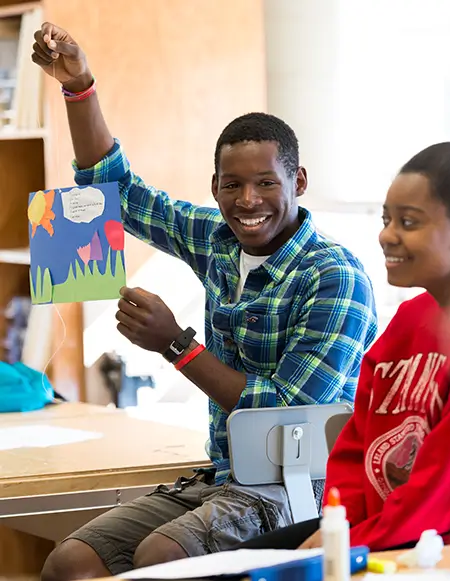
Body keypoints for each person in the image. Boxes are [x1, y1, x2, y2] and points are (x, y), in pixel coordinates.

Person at [31, 22, 377, 579]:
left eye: (267, 183)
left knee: (160, 558)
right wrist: (79, 87)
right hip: (221, 476)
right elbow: (114, 190)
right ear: (214, 185)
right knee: (70, 563)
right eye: (231, 185)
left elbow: (277, 413)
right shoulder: (218, 238)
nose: (248, 201)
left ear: (300, 181)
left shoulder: (335, 278)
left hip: (303, 487)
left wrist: (175, 345)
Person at [235, 132, 450, 553]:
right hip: (379, 530)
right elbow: (354, 447)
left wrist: (347, 545)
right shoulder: (408, 321)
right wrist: (336, 528)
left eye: (409, 222)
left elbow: (444, 487)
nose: (387, 236)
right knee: (240, 563)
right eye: (386, 220)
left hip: (444, 544)